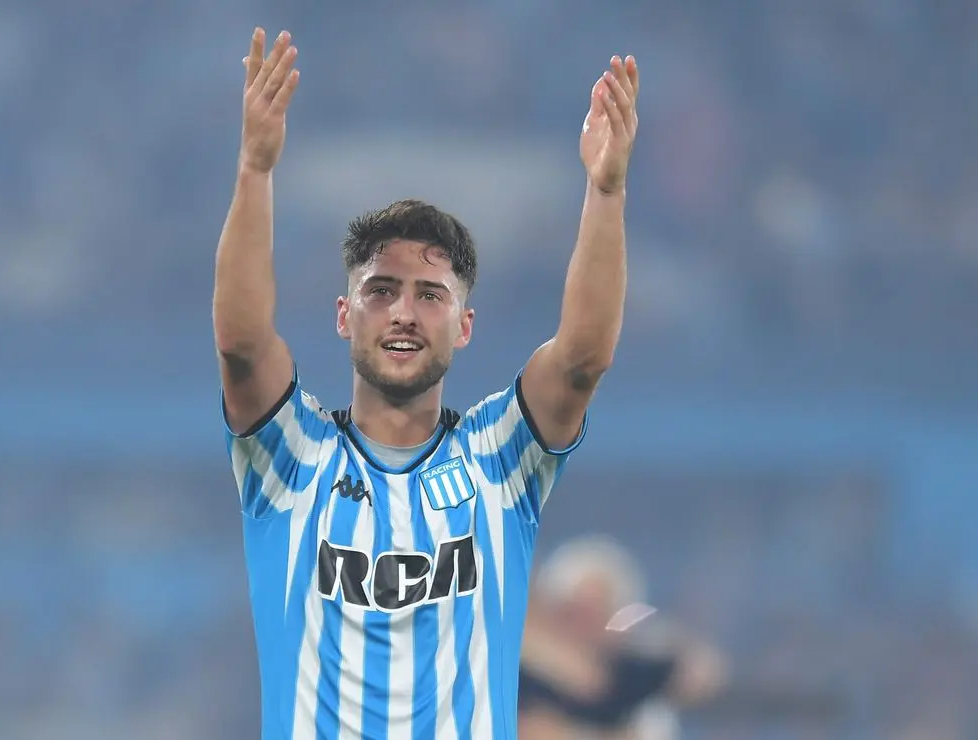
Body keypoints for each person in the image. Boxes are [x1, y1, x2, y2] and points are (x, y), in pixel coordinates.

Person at [214, 26, 639, 740]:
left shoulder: (499, 457)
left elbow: (582, 359)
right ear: (345, 316)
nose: (404, 313)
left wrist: (606, 189)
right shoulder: (292, 456)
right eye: (381, 291)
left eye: (430, 295)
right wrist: (255, 168)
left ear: (464, 325)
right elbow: (243, 344)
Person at [518, 537, 727, 740]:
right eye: (573, 612)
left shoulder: (640, 690)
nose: (582, 626)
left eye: (595, 614)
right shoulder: (519, 673)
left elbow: (702, 673)